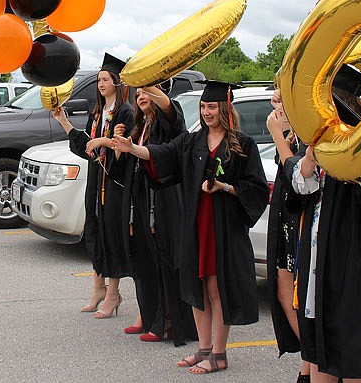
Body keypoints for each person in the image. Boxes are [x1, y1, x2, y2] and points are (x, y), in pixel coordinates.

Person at [112, 80, 270, 374]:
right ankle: (204, 348)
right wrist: (133, 148)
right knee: (197, 286)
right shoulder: (192, 141)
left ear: (224, 108)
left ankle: (219, 354)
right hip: (195, 224)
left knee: (217, 287)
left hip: (224, 227)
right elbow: (162, 154)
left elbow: (257, 188)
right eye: (203, 107)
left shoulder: (242, 144)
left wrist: (226, 187)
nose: (207, 112)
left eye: (212, 106)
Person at [283, 68, 361, 382]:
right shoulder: (318, 140)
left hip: (355, 263)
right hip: (317, 261)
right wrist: (309, 163)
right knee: (319, 352)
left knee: (354, 353)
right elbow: (299, 193)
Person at [52, 53, 134, 318]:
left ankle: (113, 293)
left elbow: (124, 146)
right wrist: (63, 121)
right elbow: (86, 148)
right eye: (99, 79)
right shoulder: (97, 112)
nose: (101, 83)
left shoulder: (125, 112)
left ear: (117, 83)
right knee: (94, 230)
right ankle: (98, 287)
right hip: (96, 179)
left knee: (111, 233)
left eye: (106, 79)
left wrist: (102, 142)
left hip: (114, 181)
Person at [116, 79, 197, 345]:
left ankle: (171, 321)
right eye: (137, 94)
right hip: (141, 199)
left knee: (166, 261)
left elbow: (169, 111)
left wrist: (147, 81)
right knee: (145, 261)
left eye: (146, 93)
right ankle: (151, 316)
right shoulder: (140, 126)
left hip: (164, 200)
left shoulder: (168, 123)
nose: (141, 97)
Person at [265, 86, 310, 383]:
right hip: (285, 220)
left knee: (305, 296)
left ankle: (311, 364)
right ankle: (310, 356)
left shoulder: (309, 135)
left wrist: (278, 137)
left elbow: (299, 178)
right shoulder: (295, 132)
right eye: (275, 97)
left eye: (282, 98)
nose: (276, 102)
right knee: (284, 291)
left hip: (305, 225)